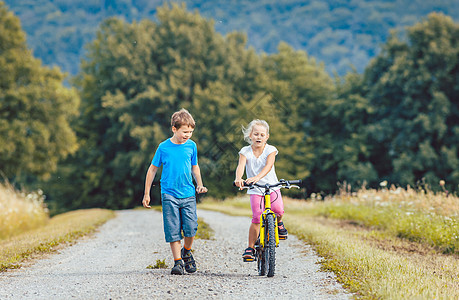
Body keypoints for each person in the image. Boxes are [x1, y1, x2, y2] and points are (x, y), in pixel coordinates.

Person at [142, 108, 208, 275]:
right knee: (173, 229)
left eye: (191, 132)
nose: (188, 135)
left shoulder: (192, 146)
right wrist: (147, 193)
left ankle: (187, 251)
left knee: (191, 228)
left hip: (188, 193)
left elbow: (195, 167)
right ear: (174, 129)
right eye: (185, 131)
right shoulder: (163, 147)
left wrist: (199, 184)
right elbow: (152, 170)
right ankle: (177, 262)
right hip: (169, 193)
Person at [234, 119, 288, 262]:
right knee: (257, 217)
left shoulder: (271, 149)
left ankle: (279, 223)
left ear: (267, 137)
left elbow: (269, 166)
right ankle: (250, 247)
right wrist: (239, 178)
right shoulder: (245, 151)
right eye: (256, 134)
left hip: (271, 186)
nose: (259, 137)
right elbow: (240, 166)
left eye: (262, 135)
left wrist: (257, 177)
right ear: (250, 135)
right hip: (255, 189)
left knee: (278, 210)